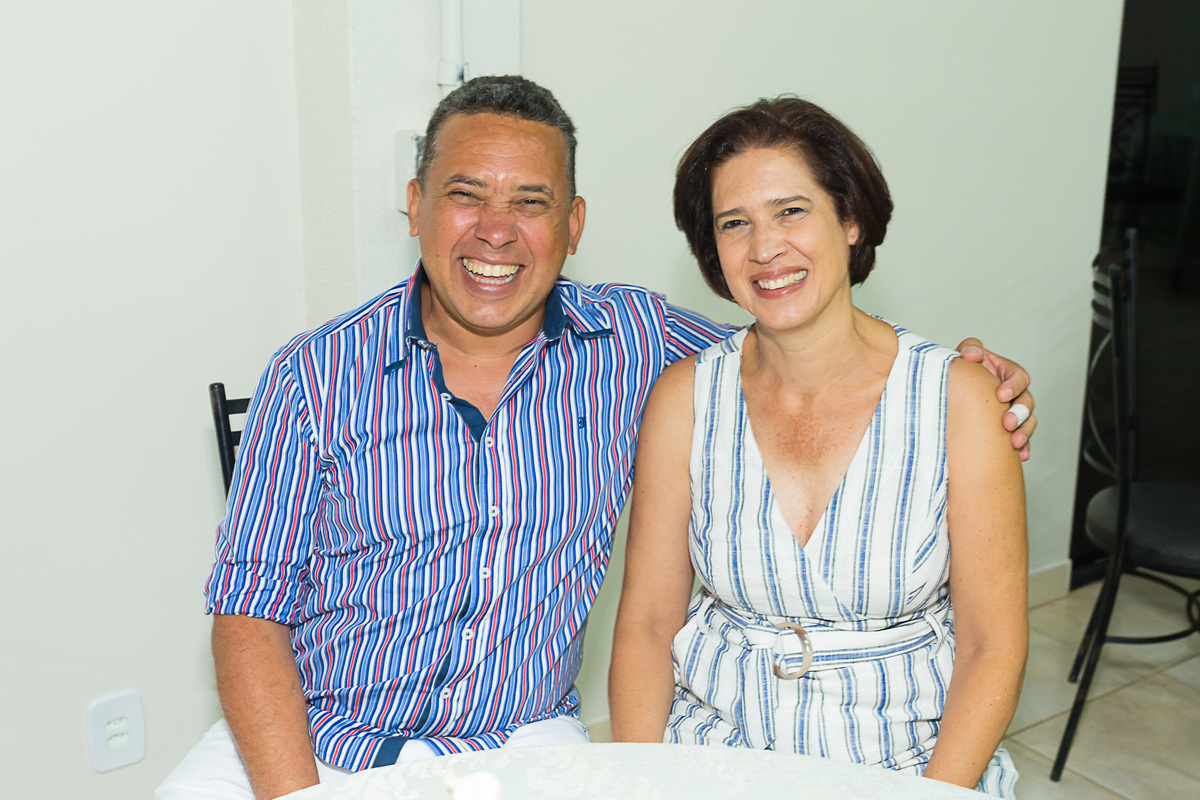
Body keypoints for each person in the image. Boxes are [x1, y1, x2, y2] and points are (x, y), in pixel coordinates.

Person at [158, 77, 1035, 800]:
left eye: (530, 202)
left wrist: (978, 383)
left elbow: (795, 349)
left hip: (519, 744)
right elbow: (248, 613)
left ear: (573, 226)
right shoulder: (311, 376)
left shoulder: (636, 345)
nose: (496, 230)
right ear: (416, 205)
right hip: (320, 737)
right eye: (466, 194)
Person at [608, 97, 1028, 798]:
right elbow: (648, 626)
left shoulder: (959, 401)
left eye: (791, 211)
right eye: (734, 223)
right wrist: (639, 785)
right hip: (713, 759)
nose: (764, 248)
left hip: (909, 767)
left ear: (851, 218)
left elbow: (993, 648)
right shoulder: (685, 399)